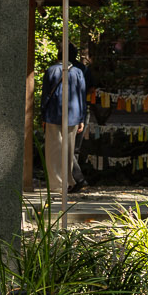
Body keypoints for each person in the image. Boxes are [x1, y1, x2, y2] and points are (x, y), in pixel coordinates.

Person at [41, 52, 89, 193]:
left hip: (53, 114)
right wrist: (81, 118)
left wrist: (43, 115)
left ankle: (56, 184)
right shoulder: (78, 72)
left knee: (53, 151)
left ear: (58, 56)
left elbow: (45, 95)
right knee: (68, 150)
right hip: (73, 114)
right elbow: (82, 95)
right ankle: (68, 181)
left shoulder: (51, 70)